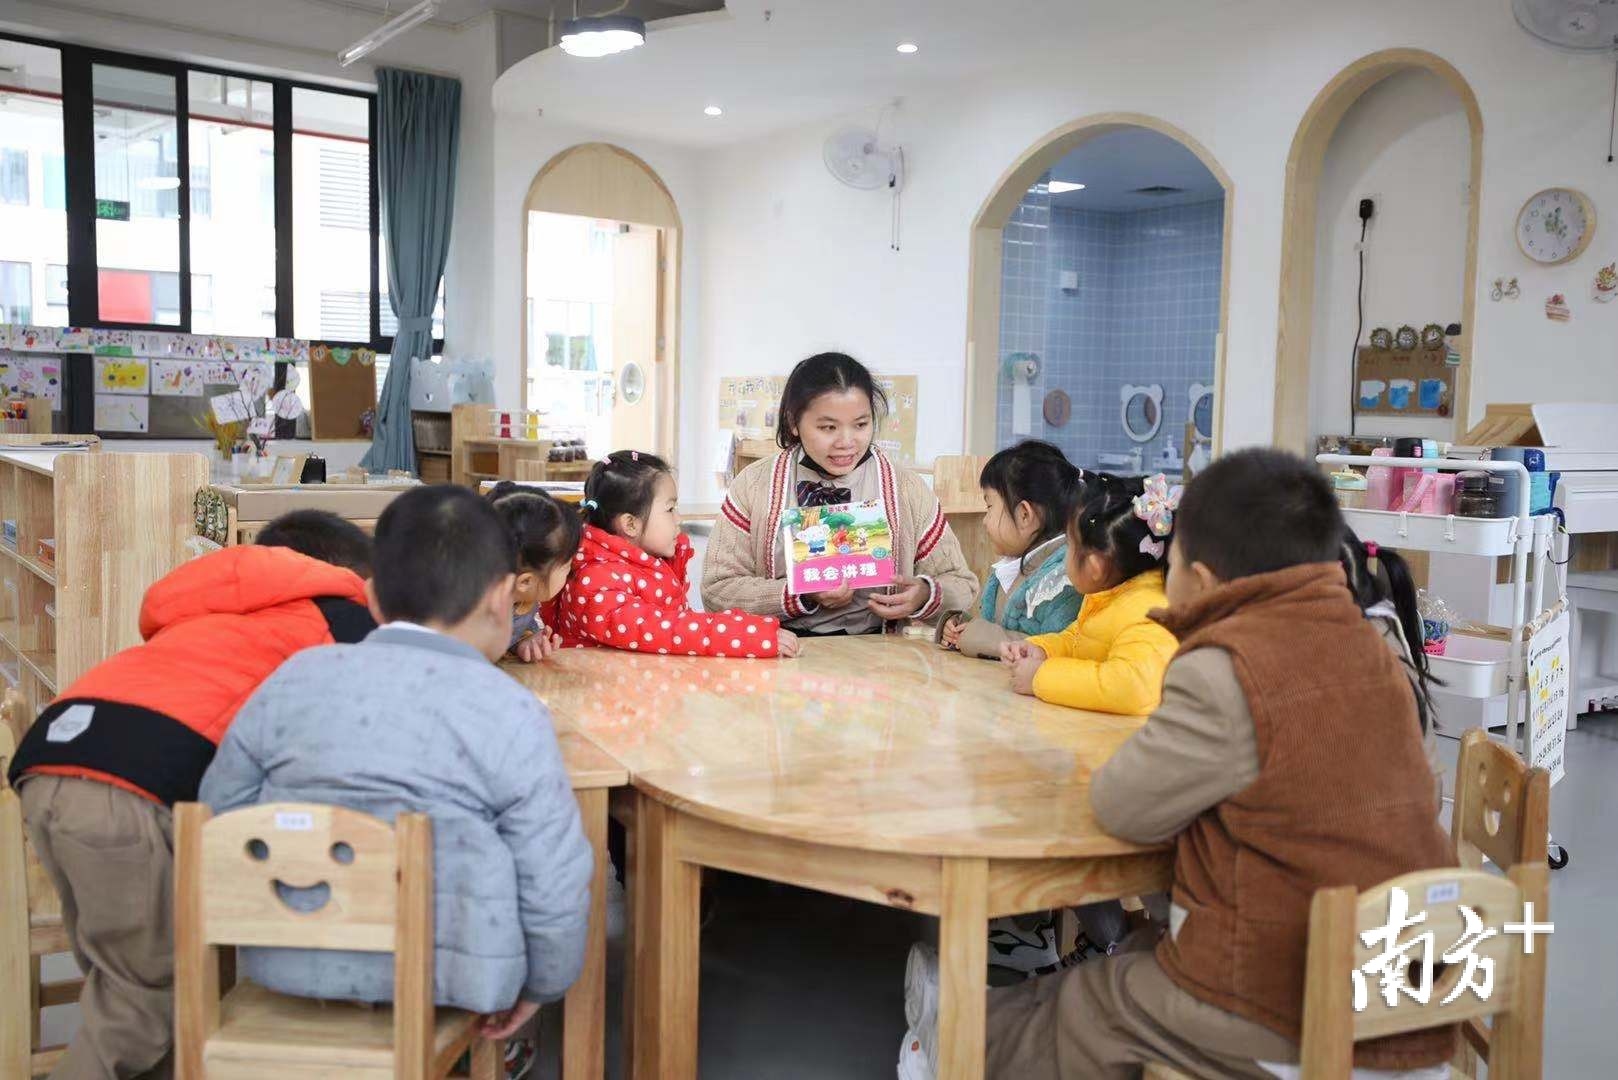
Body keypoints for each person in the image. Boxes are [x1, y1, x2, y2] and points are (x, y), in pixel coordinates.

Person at [899, 449, 1457, 1080]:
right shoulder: (1376, 645)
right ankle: (976, 1018)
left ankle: (952, 1047)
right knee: (1140, 951)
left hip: (1302, 1013)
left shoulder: (1227, 665)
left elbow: (1123, 809)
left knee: (1095, 999)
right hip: (1423, 990)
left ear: (1202, 575)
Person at [199, 485, 593, 1041]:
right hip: (449, 979)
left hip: (288, 964)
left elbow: (220, 813)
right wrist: (542, 984)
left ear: (373, 599)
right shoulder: (511, 710)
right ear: (502, 596)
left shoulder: (294, 677)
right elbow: (552, 876)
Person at [7, 510, 375, 1080]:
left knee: (134, 981)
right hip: (128, 788)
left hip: (55, 755)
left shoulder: (215, 603)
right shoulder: (342, 616)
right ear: (349, 574)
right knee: (144, 1003)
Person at [702, 352, 977, 635]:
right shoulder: (754, 485)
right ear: (794, 422)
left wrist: (923, 595)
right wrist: (799, 594)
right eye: (828, 427)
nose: (846, 442)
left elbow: (962, 584)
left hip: (880, 655)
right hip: (783, 650)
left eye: (860, 424)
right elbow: (716, 589)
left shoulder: (906, 488)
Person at [551, 450, 799, 658]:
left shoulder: (651, 564)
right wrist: (750, 636)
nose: (679, 519)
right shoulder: (595, 580)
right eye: (670, 509)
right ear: (630, 524)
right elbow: (670, 631)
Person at [1000, 473, 1178, 716]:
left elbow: (1133, 687)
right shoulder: (1109, 594)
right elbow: (1080, 641)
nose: (1065, 556)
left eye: (1070, 546)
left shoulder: (1149, 612)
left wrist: (1040, 677)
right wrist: (1042, 650)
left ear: (1095, 568)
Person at [938, 440, 1087, 659]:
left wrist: (977, 637)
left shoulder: (1065, 578)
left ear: (1024, 515)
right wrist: (958, 627)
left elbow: (1056, 648)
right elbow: (994, 627)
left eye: (989, 507)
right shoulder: (1012, 567)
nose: (985, 521)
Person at [486, 480, 581, 662]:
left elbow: (518, 627)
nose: (571, 570)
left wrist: (523, 642)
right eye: (566, 565)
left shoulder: (523, 598)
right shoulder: (466, 618)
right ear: (525, 582)